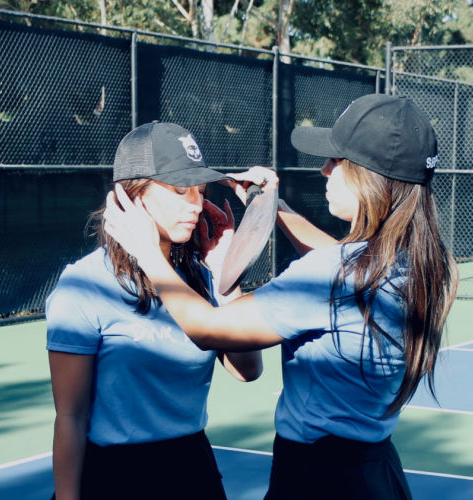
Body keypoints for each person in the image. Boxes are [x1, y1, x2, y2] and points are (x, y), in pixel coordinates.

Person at [103, 94, 459, 500]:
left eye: (335, 161)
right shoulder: (422, 264)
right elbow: (341, 268)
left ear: (367, 175)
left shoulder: (332, 274)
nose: (324, 170)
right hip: (378, 474)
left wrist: (148, 252)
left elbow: (209, 328)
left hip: (319, 481)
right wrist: (270, 204)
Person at [45, 121, 263, 500]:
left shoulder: (201, 274)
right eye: (180, 190)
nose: (195, 205)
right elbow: (70, 417)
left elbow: (248, 370)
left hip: (193, 469)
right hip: (115, 477)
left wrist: (226, 275)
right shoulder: (84, 285)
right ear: (131, 196)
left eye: (199, 191)